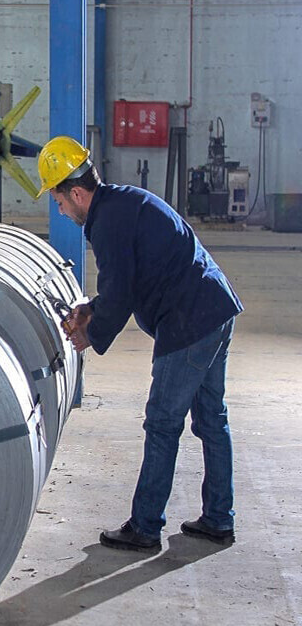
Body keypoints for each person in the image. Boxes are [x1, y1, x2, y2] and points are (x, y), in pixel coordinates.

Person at [35, 136, 243, 553]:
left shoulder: (107, 224)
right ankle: (219, 519)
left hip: (189, 323)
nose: (60, 211)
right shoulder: (122, 203)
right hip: (215, 307)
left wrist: (89, 334)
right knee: (211, 419)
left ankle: (145, 527)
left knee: (163, 424)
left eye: (58, 202)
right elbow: (128, 283)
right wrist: (91, 309)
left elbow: (120, 293)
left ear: (76, 194)